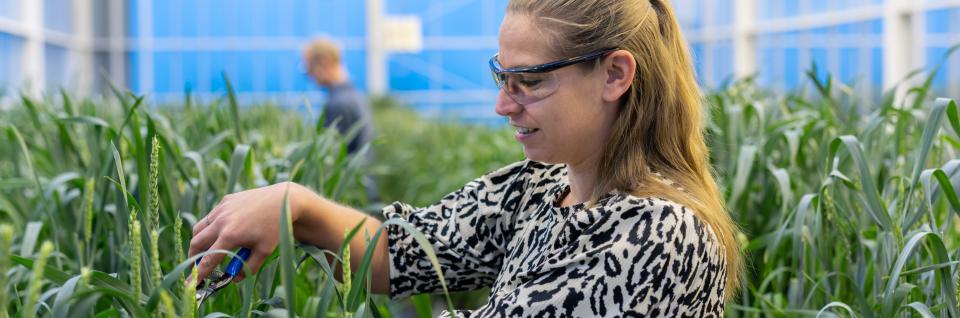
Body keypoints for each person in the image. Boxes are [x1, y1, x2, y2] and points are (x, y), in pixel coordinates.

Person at [189, 0, 742, 316]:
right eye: (502, 77)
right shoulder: (538, 187)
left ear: (615, 75)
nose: (503, 104)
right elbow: (404, 251)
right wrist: (295, 206)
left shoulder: (662, 234)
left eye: (530, 82)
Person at [302, 38, 374, 156]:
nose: (309, 75)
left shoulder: (340, 103)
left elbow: (331, 156)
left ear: (324, 62)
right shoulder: (352, 96)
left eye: (308, 68)